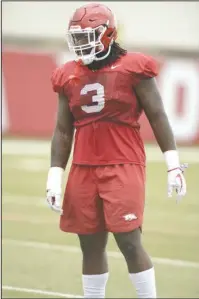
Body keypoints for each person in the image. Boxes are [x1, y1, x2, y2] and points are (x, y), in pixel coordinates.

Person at [46, 3, 187, 298]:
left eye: (89, 36)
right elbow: (62, 129)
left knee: (129, 242)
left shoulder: (133, 67)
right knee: (90, 244)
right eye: (78, 37)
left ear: (108, 34)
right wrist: (54, 175)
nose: (82, 45)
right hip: (83, 167)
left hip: (123, 164)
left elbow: (158, 115)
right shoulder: (68, 75)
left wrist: (173, 163)